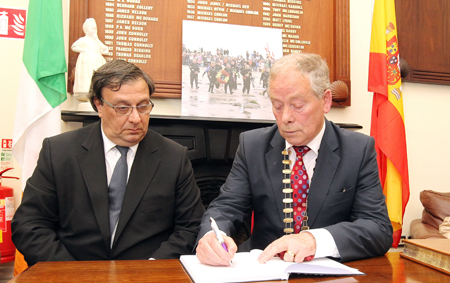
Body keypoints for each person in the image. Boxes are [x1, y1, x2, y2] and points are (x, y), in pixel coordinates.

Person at [195, 53, 392, 266]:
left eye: (297, 105)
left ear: (325, 101)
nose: (286, 117)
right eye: (277, 106)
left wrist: (315, 240)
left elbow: (377, 228)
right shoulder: (252, 146)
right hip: (264, 272)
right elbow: (226, 207)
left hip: (331, 275)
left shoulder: (357, 150)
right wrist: (212, 237)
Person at [12, 59, 205, 266]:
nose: (136, 118)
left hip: (146, 274)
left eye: (143, 106)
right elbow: (29, 224)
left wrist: (151, 268)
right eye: (122, 108)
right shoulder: (59, 152)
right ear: (99, 105)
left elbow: (190, 227)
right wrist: (72, 274)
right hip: (73, 273)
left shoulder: (173, 157)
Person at [71, 18, 109, 102]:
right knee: (87, 77)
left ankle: (97, 91)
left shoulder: (96, 41)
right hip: (87, 61)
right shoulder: (83, 40)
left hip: (97, 60)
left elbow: (105, 49)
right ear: (86, 29)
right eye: (92, 28)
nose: (94, 30)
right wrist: (84, 50)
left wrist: (96, 38)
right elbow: (74, 46)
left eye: (95, 28)